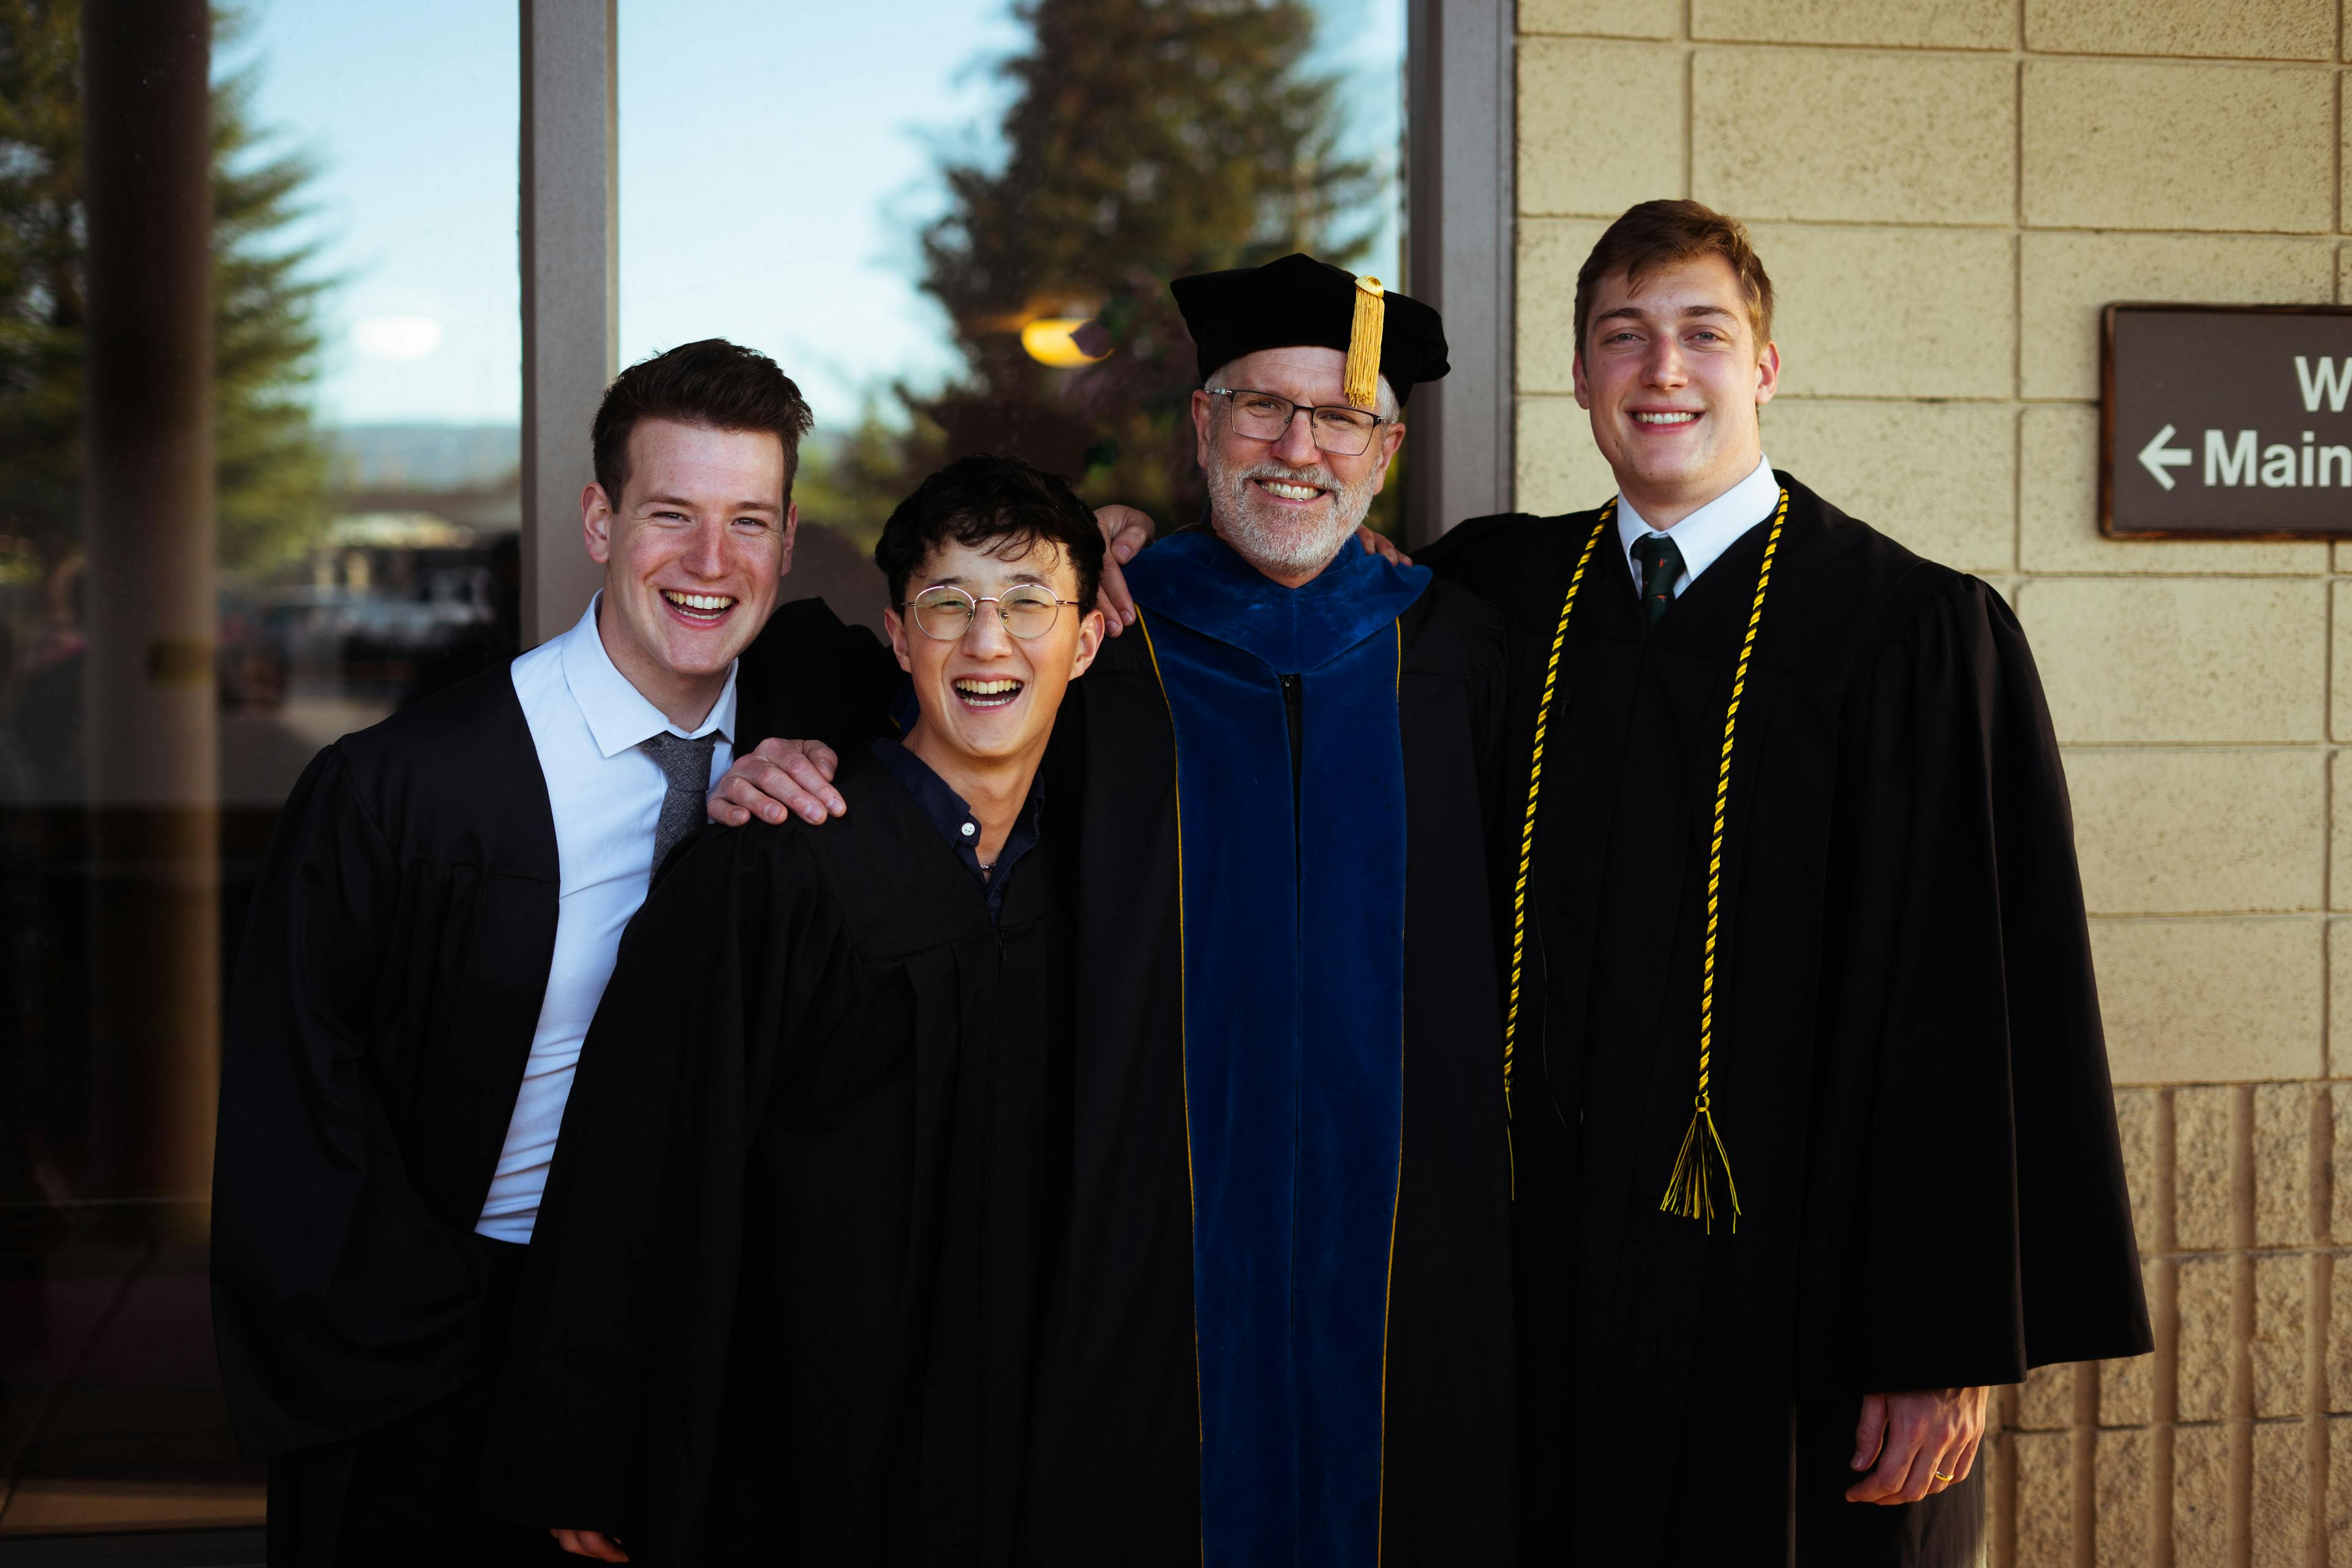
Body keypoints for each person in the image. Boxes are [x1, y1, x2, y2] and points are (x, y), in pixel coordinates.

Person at [209, 340, 1148, 1567]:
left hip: (704, 1350)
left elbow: (1000, 638)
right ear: (599, 520)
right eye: (673, 515)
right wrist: (427, 1369)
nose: (713, 564)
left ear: (787, 535)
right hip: (438, 1348)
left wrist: (1135, 546)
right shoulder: (402, 791)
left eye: (748, 521)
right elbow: (299, 1130)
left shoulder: (821, 706)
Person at [717, 254, 1518, 1565]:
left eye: (1336, 417)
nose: (1296, 447)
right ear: (1201, 426)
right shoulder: (1107, 639)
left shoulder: (1465, 652)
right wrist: (778, 739)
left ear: (1388, 448)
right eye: (1260, 408)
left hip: (1400, 1255)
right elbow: (912, 683)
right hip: (1145, 1235)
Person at [1414, 200, 2151, 1565]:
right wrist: (1115, 560)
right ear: (1578, 378)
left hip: (1795, 1314)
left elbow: (1971, 1007)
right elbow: (1288, 595)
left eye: (1703, 331)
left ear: (1764, 364)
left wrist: (1941, 1337)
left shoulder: (1911, 633)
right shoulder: (1498, 598)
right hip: (1543, 1286)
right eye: (1622, 338)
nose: (1662, 370)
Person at [480, 454, 1104, 1565]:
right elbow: (643, 1156)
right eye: (948, 604)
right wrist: (591, 1437)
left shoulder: (1109, 880)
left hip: (1034, 1447)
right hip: (808, 1447)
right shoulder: (776, 872)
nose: (989, 641)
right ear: (899, 639)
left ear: (1087, 639)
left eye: (1026, 605)